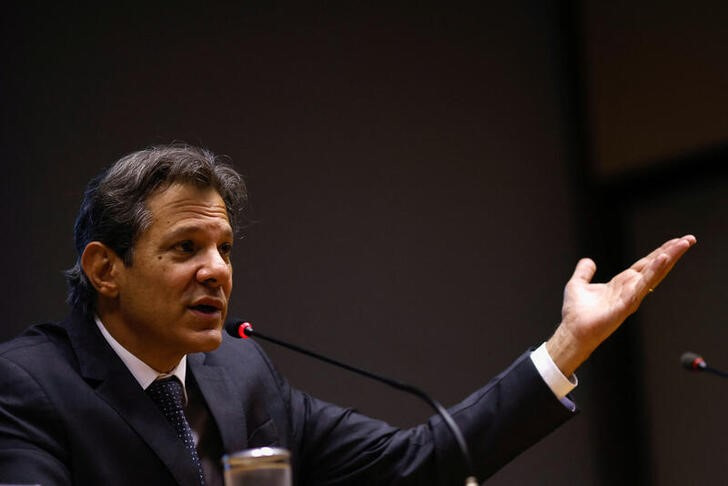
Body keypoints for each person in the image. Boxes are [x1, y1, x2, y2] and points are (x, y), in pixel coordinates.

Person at [0, 144, 696, 486]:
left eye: (224, 248)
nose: (216, 269)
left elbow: (415, 463)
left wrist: (567, 346)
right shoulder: (30, 386)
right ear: (105, 270)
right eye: (185, 248)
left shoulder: (242, 374)